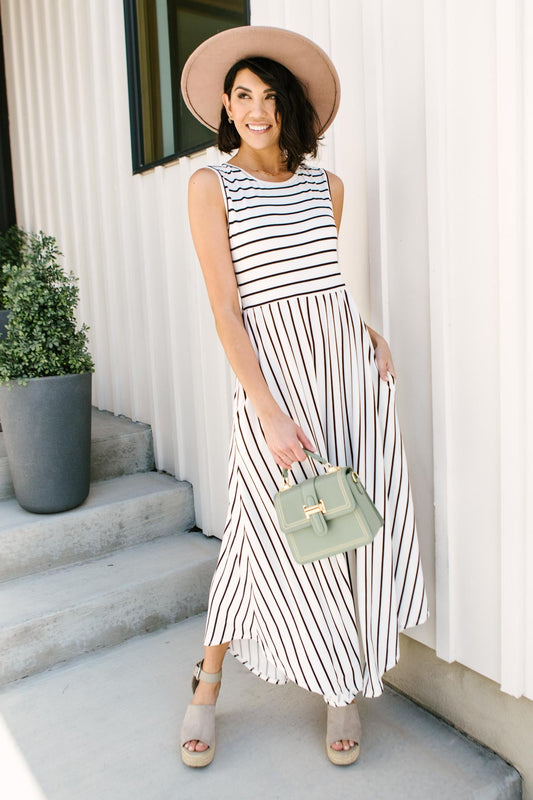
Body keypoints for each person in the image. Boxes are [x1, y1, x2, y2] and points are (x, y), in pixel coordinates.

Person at [179, 25, 428, 769]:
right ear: (227, 104)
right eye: (243, 96)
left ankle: (340, 683)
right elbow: (228, 308)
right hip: (272, 384)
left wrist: (365, 330)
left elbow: (316, 283)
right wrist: (266, 409)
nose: (257, 110)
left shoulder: (328, 187)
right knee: (261, 528)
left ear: (288, 106)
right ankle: (207, 682)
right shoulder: (209, 185)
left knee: (343, 525)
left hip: (345, 376)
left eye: (269, 97)